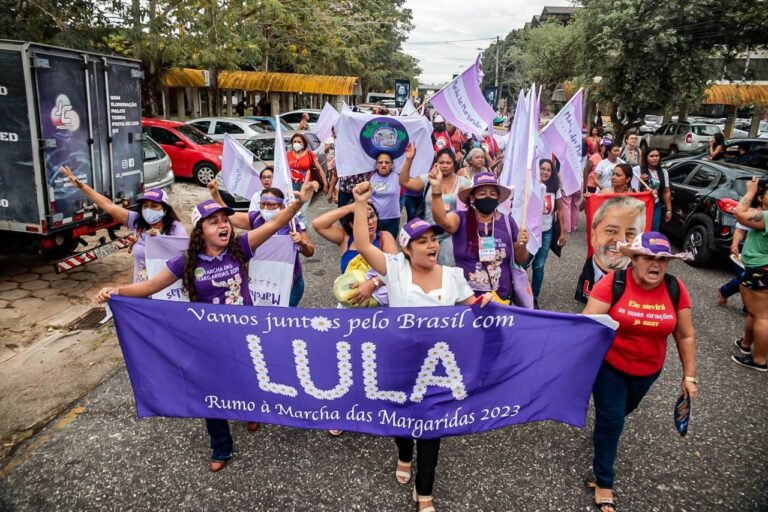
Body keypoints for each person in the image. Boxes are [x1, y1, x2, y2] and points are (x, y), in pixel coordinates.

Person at [94, 180, 316, 472]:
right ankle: (221, 447)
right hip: (207, 341)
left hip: (244, 336)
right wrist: (116, 291)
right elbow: (149, 286)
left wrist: (298, 203)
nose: (224, 225)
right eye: (214, 222)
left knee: (249, 379)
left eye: (225, 220)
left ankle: (251, 411)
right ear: (200, 230)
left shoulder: (241, 247)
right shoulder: (185, 261)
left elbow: (274, 225)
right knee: (212, 393)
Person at [350, 182, 493, 512]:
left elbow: (472, 309)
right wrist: (359, 203)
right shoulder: (394, 269)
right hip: (399, 364)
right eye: (422, 241)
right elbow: (363, 244)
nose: (431, 245)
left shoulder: (453, 276)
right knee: (402, 421)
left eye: (433, 240)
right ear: (407, 249)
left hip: (438, 370)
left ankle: (424, 491)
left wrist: (485, 304)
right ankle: (403, 455)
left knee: (431, 431)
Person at [582, 232, 697, 512]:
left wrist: (689, 376)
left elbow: (685, 335)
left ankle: (604, 434)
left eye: (663, 259)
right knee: (611, 421)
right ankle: (604, 480)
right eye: (648, 257)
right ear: (633, 258)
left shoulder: (675, 288)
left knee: (621, 413)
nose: (656, 264)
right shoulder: (614, 283)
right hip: (609, 366)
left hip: (648, 370)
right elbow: (587, 326)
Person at [59, 165, 186, 282]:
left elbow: (187, 256)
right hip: (141, 288)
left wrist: (161, 240)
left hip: (166, 290)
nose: (148, 209)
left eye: (154, 206)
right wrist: (81, 186)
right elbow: (108, 206)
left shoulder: (175, 228)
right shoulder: (137, 222)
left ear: (164, 210)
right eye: (145, 206)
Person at [209, 181, 314, 307]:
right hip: (260, 283)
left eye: (271, 204)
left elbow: (310, 252)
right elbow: (231, 216)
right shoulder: (256, 218)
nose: (266, 208)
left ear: (281, 206)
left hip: (288, 283)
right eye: (262, 204)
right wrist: (216, 195)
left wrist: (302, 243)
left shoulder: (292, 223)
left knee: (283, 317)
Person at [431, 172, 530, 302]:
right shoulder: (461, 218)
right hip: (467, 299)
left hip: (501, 299)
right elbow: (442, 220)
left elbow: (520, 260)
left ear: (498, 198)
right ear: (472, 197)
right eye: (482, 194)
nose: (487, 197)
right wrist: (436, 191)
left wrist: (522, 246)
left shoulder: (507, 221)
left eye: (492, 194)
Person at [400, 144, 471, 265]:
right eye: (441, 162)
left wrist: (463, 197)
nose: (444, 165)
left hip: (450, 233)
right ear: (436, 164)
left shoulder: (463, 183)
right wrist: (408, 159)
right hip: (428, 231)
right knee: (425, 266)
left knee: (447, 266)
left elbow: (469, 209)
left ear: (454, 164)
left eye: (448, 163)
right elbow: (404, 181)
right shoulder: (428, 179)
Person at [575, 196, 646, 303]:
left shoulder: (642, 276)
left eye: (631, 233)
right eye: (611, 231)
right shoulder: (588, 272)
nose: (621, 241)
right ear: (593, 234)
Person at [731, 177, 768, 371]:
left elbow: (739, 213)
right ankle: (746, 344)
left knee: (762, 316)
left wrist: (751, 191)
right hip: (760, 268)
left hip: (761, 269)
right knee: (755, 312)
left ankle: (759, 360)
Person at [528, 159, 566, 308]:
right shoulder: (530, 185)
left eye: (548, 170)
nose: (545, 172)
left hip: (546, 232)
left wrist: (562, 232)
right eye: (542, 169)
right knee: (521, 265)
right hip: (529, 233)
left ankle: (534, 298)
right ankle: (518, 293)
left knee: (538, 266)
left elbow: (560, 210)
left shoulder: (554, 188)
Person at [365, 152, 401, 240]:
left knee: (390, 244)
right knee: (376, 245)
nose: (383, 165)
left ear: (392, 164)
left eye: (387, 162)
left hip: (393, 219)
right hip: (375, 219)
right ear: (376, 164)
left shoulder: (398, 176)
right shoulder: (370, 177)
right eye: (380, 162)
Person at [288, 133, 327, 214]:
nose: (296, 144)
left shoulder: (309, 154)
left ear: (304, 143)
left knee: (303, 212)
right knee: (293, 211)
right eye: (294, 142)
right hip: (292, 186)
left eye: (299, 142)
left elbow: (319, 169)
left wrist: (325, 183)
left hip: (306, 186)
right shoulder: (288, 154)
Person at [638, 148, 672, 231]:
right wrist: (640, 180)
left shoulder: (663, 172)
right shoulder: (637, 170)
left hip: (655, 204)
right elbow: (632, 190)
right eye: (651, 156)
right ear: (646, 157)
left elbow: (666, 192)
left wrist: (669, 210)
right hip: (640, 206)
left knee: (654, 229)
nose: (655, 158)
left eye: (657, 156)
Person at [717, 223, 748, 306]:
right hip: (753, 257)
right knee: (746, 280)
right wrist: (734, 245)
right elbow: (741, 229)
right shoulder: (759, 216)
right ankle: (724, 291)